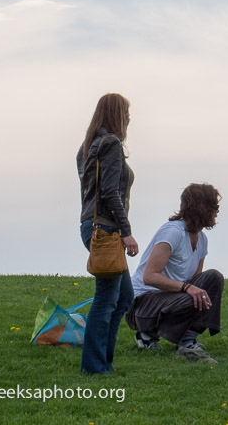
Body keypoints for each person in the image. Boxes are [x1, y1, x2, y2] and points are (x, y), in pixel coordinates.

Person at [125, 183, 224, 364]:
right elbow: (150, 276)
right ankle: (147, 335)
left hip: (169, 299)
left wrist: (190, 288)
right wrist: (187, 288)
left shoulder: (202, 239)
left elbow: (196, 281)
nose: (217, 211)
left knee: (213, 279)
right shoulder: (173, 232)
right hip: (142, 303)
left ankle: (187, 340)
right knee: (191, 294)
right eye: (213, 206)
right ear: (201, 207)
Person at [77, 93, 139, 375]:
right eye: (126, 113)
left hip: (90, 226)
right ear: (116, 115)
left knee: (123, 297)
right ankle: (94, 368)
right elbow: (109, 192)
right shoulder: (111, 144)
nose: (129, 118)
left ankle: (105, 361)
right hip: (106, 229)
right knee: (106, 299)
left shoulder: (87, 146)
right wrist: (126, 231)